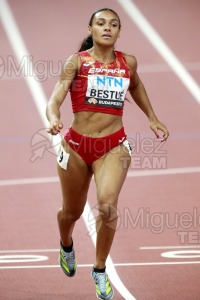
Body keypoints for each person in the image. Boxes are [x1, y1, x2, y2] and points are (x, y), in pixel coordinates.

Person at [46, 7, 169, 300]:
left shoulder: (128, 62)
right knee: (71, 212)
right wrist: (53, 117)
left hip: (113, 146)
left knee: (108, 206)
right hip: (75, 147)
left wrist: (152, 117)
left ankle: (100, 269)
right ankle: (66, 245)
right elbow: (55, 98)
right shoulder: (76, 62)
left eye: (113, 24)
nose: (107, 28)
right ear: (90, 29)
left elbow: (136, 85)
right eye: (100, 23)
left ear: (119, 32)